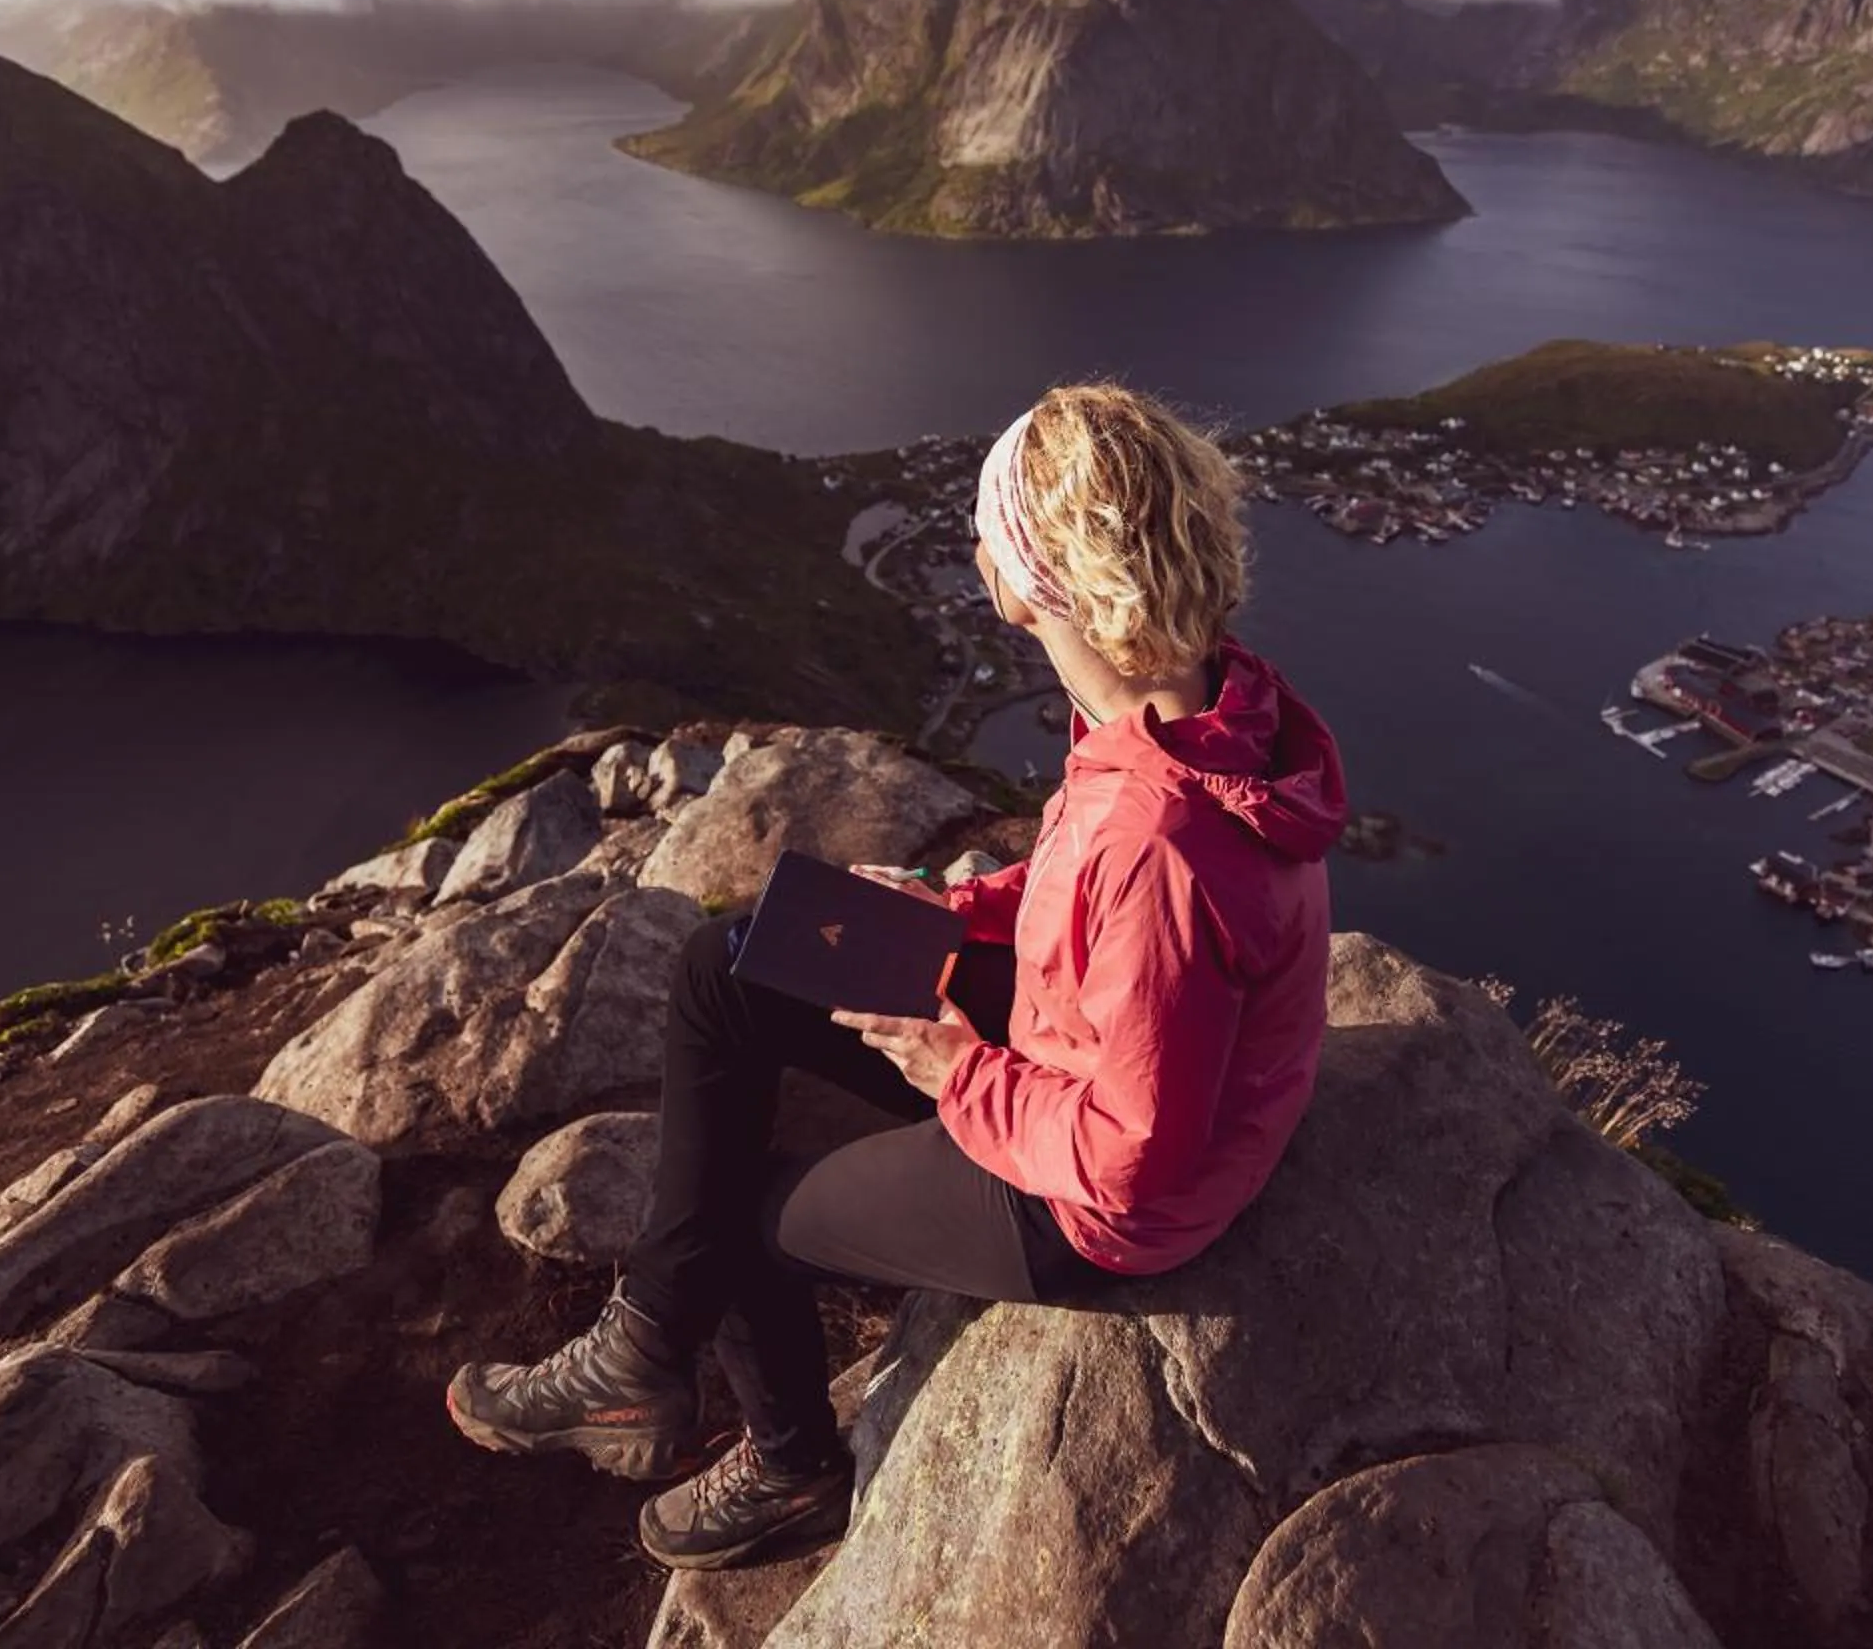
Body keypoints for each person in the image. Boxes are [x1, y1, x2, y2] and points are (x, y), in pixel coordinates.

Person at [444, 382, 1348, 1571]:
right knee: (731, 966)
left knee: (747, 1214)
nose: (974, 547)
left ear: (1041, 578)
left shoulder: (1161, 846)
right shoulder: (1186, 700)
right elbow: (1093, 888)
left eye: (989, 527)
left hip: (1092, 1197)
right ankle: (640, 1350)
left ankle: (790, 1465)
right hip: (1072, 1038)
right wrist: (961, 910)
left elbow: (1137, 1157)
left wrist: (959, 1070)